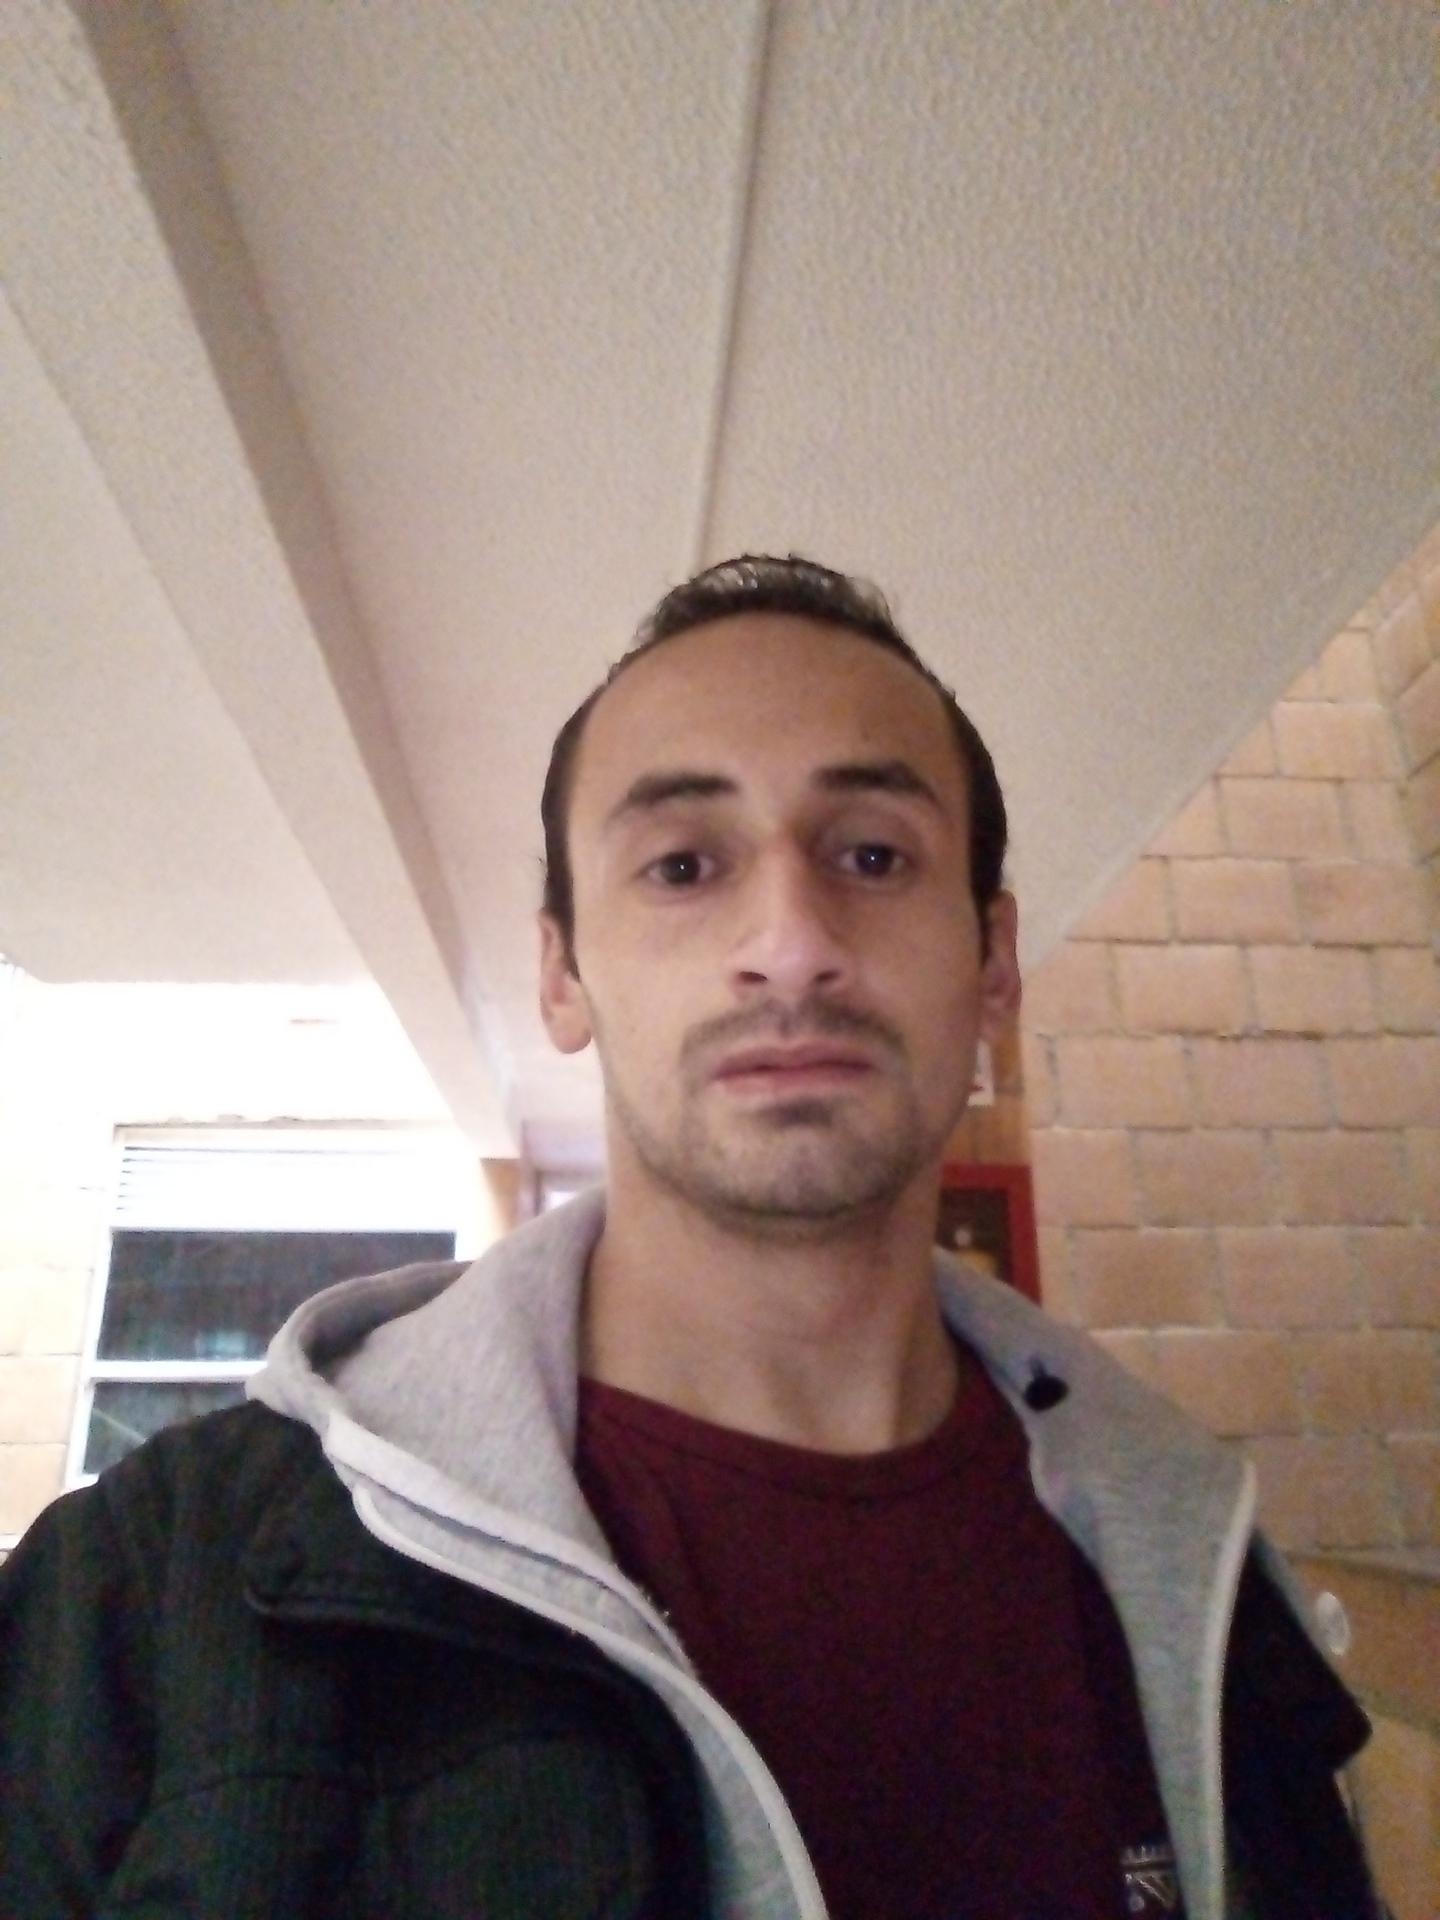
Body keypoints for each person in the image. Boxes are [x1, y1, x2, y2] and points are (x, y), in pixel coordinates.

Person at [0, 556, 1382, 1920]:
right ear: (563, 974)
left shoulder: (1208, 1584)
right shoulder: (147, 1592)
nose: (790, 941)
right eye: (681, 865)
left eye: (873, 856)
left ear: (994, 960)